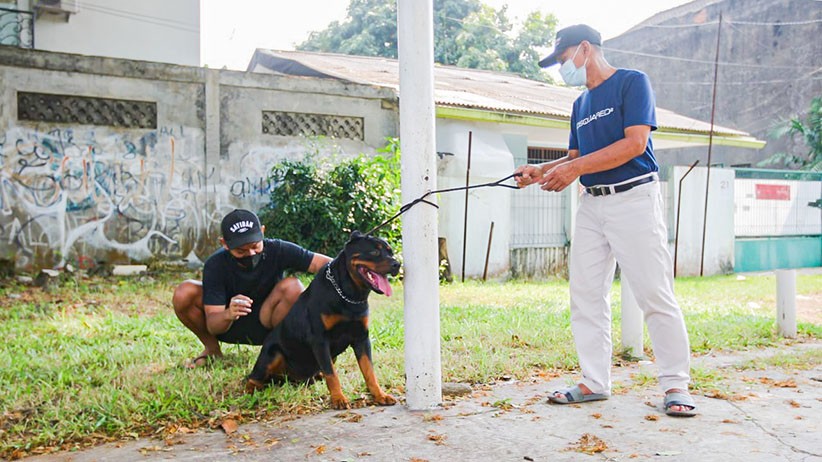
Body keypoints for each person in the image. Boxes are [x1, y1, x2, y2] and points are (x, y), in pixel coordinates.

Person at [515, 24, 696, 416]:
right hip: (592, 204)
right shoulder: (580, 104)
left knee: (653, 292)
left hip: (634, 198)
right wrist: (541, 171)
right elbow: (575, 157)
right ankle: (594, 381)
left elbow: (635, 143)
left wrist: (574, 168)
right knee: (585, 294)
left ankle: (675, 384)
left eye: (563, 59)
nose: (562, 68)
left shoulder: (632, 83)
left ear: (585, 48)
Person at [172, 209, 331, 368]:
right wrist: (228, 314)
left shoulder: (277, 249)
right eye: (240, 251)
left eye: (255, 246)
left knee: (293, 286)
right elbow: (213, 325)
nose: (250, 254)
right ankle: (212, 350)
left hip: (269, 319)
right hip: (229, 325)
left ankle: (285, 353)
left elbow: (325, 264)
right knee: (184, 293)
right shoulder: (216, 264)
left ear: (262, 232)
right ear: (224, 244)